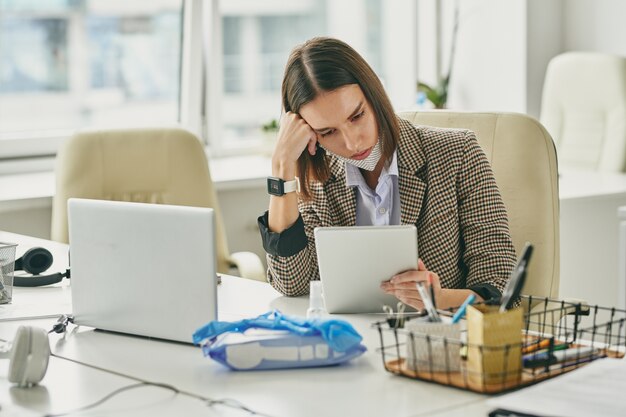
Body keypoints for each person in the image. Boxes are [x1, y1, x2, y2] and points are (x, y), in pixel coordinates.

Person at [257, 37, 517, 311]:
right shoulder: (317, 178)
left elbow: (502, 285)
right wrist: (282, 166)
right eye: (327, 132)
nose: (352, 142)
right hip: (354, 338)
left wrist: (439, 300)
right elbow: (291, 282)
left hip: (437, 337)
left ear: (374, 95)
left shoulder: (458, 153)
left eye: (357, 116)